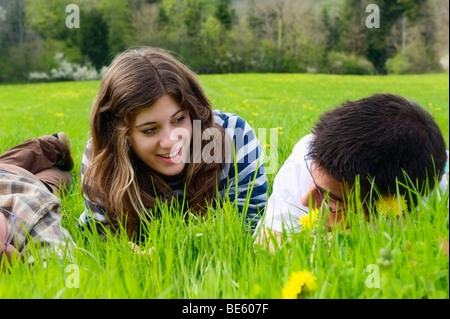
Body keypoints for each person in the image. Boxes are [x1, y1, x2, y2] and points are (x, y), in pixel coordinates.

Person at [79, 47, 267, 239]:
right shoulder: (101, 156)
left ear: (194, 111)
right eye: (149, 130)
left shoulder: (233, 136)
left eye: (179, 120)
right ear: (121, 134)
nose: (171, 142)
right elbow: (101, 236)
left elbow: (252, 225)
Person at [255, 94, 449, 250]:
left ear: (388, 207)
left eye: (333, 199)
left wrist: (377, 232)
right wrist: (341, 240)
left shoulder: (438, 196)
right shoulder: (307, 154)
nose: (306, 200)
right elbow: (264, 242)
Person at [0, 133, 75, 265]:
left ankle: (55, 147)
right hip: (22, 184)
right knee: (19, 160)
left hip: (30, 189)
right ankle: (55, 145)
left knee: (49, 181)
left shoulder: (26, 208)